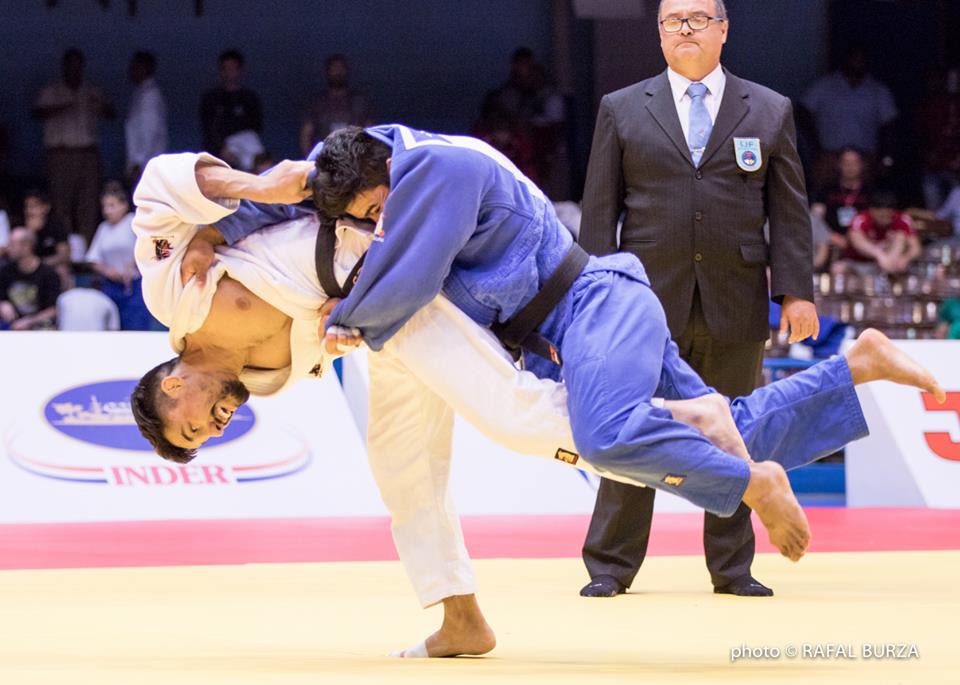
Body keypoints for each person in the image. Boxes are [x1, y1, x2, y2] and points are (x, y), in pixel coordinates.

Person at [130, 150, 944, 659]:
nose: (217, 423)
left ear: (170, 383)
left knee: (526, 419)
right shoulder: (264, 378)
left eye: (197, 422)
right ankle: (459, 616)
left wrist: (247, 187)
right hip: (376, 330)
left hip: (392, 284)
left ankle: (711, 430)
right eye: (210, 436)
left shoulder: (177, 295)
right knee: (401, 474)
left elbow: (157, 190)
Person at [576, 0, 817, 599]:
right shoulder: (622, 108)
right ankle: (610, 565)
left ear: (724, 29)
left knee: (735, 433)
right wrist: (587, 307)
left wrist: (796, 293)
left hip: (735, 299)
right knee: (629, 431)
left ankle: (733, 569)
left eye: (698, 18)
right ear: (658, 33)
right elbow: (599, 216)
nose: (686, 29)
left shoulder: (768, 108)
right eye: (673, 20)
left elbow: (787, 212)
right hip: (640, 309)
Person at [32, 48, 114, 243]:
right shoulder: (52, 91)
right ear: (64, 67)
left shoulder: (91, 91)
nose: (74, 70)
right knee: (61, 204)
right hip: (61, 154)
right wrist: (65, 105)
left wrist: (99, 105)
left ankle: (88, 255)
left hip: (87, 153)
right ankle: (64, 251)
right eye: (70, 65)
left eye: (78, 66)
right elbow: (37, 114)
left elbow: (111, 114)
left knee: (88, 203)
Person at [800, 42, 897, 187]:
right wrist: (814, 148)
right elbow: (802, 111)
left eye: (861, 59)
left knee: (863, 201)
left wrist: (886, 158)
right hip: (829, 156)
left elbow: (890, 126)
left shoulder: (877, 91)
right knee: (822, 200)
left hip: (865, 158)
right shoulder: (825, 86)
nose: (857, 63)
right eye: (854, 58)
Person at [86, 181, 155, 330]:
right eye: (104, 206)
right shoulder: (103, 228)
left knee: (135, 326)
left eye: (112, 206)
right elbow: (93, 258)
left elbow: (150, 247)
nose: (107, 211)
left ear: (123, 205)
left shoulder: (134, 222)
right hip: (110, 285)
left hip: (134, 284)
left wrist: (133, 263)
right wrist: (108, 271)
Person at [299, 54, 374, 157]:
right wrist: (310, 162)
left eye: (340, 68)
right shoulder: (317, 103)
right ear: (327, 72)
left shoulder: (360, 102)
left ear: (347, 71)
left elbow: (371, 131)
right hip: (325, 159)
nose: (337, 72)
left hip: (354, 158)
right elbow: (306, 135)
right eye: (334, 68)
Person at [835, 188, 921, 275]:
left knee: (900, 236)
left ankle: (889, 273)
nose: (885, 219)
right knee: (838, 268)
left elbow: (915, 248)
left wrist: (906, 258)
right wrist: (879, 255)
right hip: (861, 263)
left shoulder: (903, 219)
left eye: (888, 215)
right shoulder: (861, 219)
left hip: (893, 262)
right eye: (881, 216)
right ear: (872, 210)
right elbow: (857, 241)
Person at [199, 50, 263, 165]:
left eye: (233, 68)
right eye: (226, 68)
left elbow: (256, 127)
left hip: (245, 153)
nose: (229, 73)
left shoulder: (250, 98)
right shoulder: (211, 99)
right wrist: (221, 149)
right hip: (218, 156)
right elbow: (208, 128)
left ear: (240, 70)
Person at [0, 227, 60, 331]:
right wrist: (2, 304)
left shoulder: (48, 274)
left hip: (38, 325)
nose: (8, 248)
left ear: (26, 247)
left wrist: (30, 321)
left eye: (12, 244)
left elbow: (53, 310)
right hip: (10, 326)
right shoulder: (5, 271)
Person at [125, 51, 168, 186]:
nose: (130, 70)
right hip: (142, 163)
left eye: (134, 66)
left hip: (146, 164)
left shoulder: (150, 96)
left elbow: (149, 131)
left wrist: (138, 162)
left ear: (144, 68)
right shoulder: (140, 93)